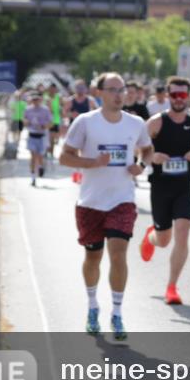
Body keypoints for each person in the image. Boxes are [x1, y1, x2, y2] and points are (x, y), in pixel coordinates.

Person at [60, 73, 152, 341]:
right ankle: (92, 307)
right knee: (93, 257)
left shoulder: (136, 123)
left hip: (122, 199)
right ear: (99, 93)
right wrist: (92, 163)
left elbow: (147, 149)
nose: (118, 95)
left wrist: (141, 165)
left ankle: (117, 313)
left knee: (118, 253)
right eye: (112, 89)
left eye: (121, 89)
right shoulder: (85, 122)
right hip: (90, 202)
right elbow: (64, 157)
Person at [138, 76, 190, 305]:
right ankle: (151, 236)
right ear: (168, 96)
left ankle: (171, 287)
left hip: (183, 187)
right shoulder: (155, 123)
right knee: (163, 240)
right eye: (174, 95)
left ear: (188, 96)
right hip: (160, 187)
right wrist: (152, 157)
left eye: (182, 95)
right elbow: (138, 150)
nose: (178, 99)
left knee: (182, 232)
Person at [23, 93, 52, 186]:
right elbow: (24, 120)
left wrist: (43, 126)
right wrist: (27, 122)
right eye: (33, 99)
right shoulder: (28, 109)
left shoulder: (45, 110)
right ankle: (33, 177)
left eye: (37, 99)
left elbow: (50, 122)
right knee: (33, 156)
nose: (35, 101)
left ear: (40, 100)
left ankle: (40, 166)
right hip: (32, 135)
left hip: (42, 136)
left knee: (40, 156)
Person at [46, 83, 63, 158]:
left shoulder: (58, 97)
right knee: (48, 138)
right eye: (51, 89)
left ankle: (51, 153)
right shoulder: (45, 97)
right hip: (46, 121)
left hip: (56, 120)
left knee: (52, 138)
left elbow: (62, 107)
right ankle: (47, 152)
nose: (52, 90)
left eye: (53, 89)